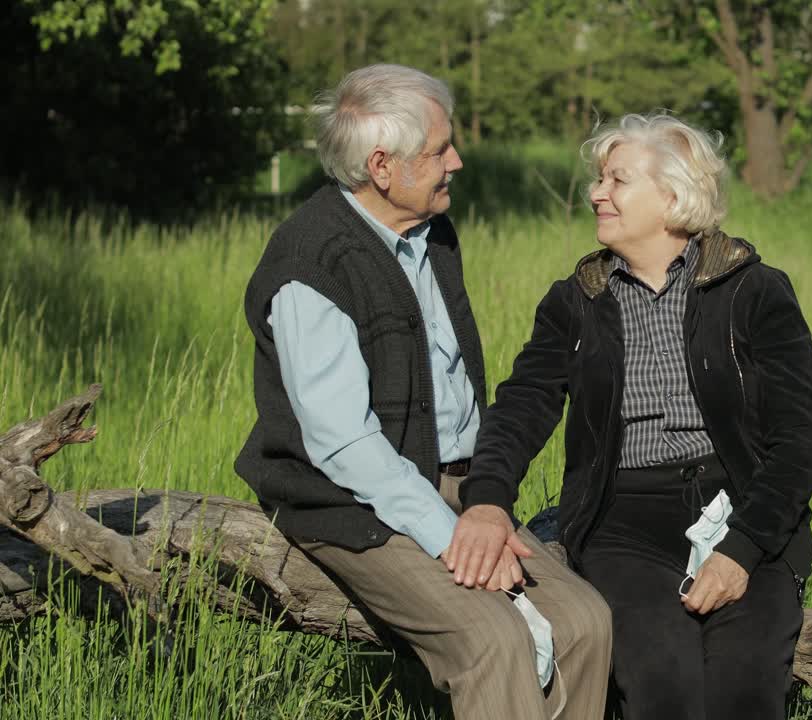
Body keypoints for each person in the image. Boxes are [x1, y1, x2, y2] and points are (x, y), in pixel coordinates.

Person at [234, 63, 611, 720]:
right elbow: (344, 444)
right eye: (440, 149)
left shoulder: (433, 234)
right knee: (492, 638)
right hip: (346, 502)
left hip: (456, 486)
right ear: (382, 166)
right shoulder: (311, 261)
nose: (457, 161)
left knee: (586, 621)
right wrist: (451, 536)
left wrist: (484, 508)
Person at [450, 112, 812, 720]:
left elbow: (804, 437)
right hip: (623, 522)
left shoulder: (754, 291)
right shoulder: (577, 301)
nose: (596, 193)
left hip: (743, 511)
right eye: (599, 180)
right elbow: (522, 405)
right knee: (664, 689)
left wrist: (742, 549)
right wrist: (488, 498)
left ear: (673, 195)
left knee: (745, 689)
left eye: (617, 180)